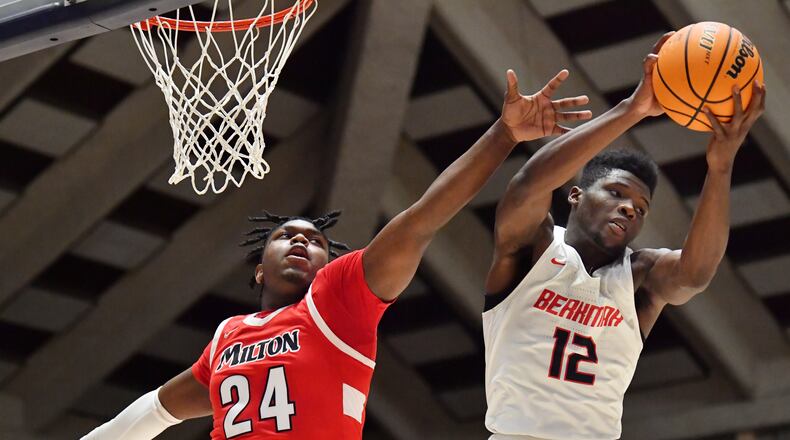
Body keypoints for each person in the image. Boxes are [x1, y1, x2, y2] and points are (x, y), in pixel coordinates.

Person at [81, 68, 591, 439]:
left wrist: (503, 135)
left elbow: (422, 219)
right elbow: (153, 413)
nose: (302, 241)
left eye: (316, 241)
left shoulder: (338, 298)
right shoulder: (226, 337)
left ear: (329, 264)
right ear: (259, 269)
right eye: (287, 236)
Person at [482, 31, 766, 440]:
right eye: (615, 193)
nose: (630, 207)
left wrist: (720, 168)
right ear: (575, 195)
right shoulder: (536, 247)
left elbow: (696, 273)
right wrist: (633, 109)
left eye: (641, 207)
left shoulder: (640, 276)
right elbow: (528, 186)